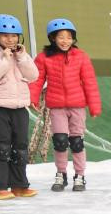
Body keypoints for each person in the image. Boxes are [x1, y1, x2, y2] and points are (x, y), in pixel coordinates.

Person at [29, 18, 101, 192]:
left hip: (77, 106)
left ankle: (80, 176)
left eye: (69, 37)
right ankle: (61, 174)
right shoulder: (44, 57)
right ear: (52, 38)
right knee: (60, 141)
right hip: (57, 107)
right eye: (61, 37)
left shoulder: (81, 56)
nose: (65, 41)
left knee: (76, 142)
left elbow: (90, 82)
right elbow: (37, 80)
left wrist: (94, 106)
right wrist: (33, 98)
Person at [0, 14, 39, 200]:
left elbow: (33, 75)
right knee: (2, 147)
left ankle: (19, 185)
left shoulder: (21, 54)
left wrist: (22, 57)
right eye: (5, 36)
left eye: (14, 36)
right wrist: (4, 59)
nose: (10, 40)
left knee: (20, 148)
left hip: (19, 108)